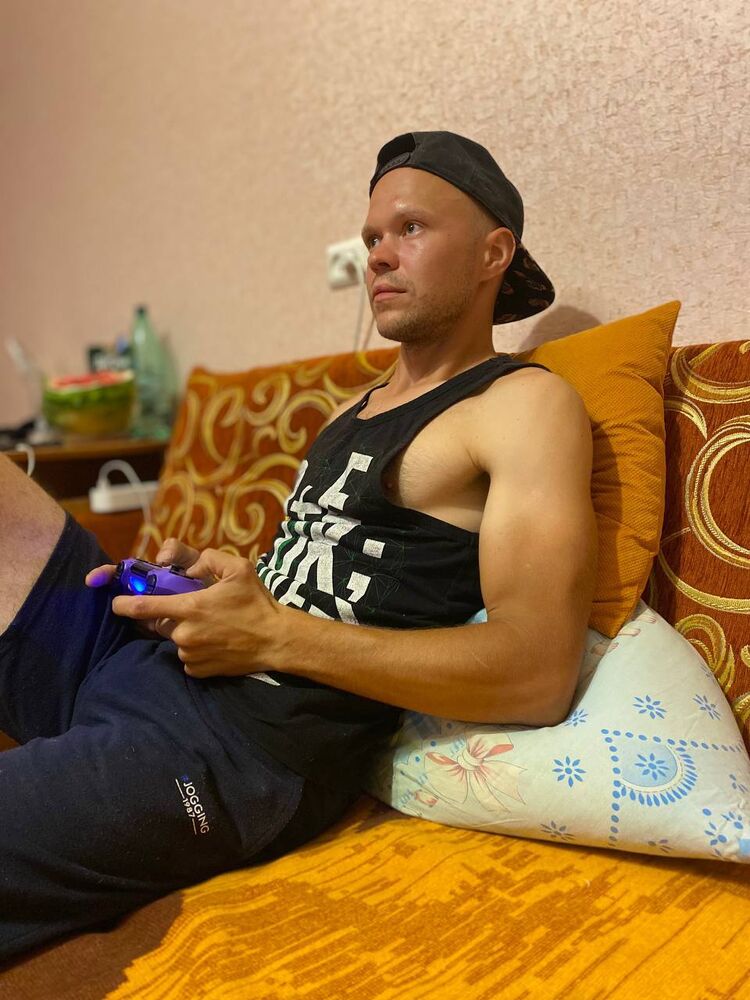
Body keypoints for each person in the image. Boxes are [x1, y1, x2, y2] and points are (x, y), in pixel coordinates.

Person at [0, 130, 597, 962]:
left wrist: (274, 636)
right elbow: (302, 584)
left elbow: (537, 672)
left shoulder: (521, 405)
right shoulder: (352, 411)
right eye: (373, 236)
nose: (378, 254)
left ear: (493, 252)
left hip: (232, 752)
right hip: (144, 661)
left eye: (411, 229)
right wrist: (209, 586)